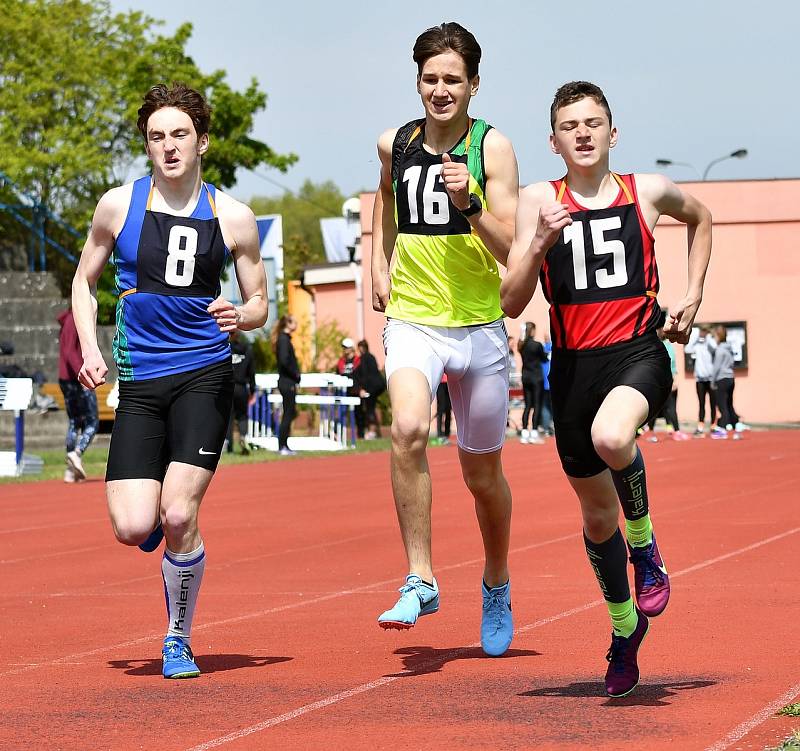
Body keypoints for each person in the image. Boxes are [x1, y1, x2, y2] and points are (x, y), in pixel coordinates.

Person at [501, 81, 712, 695]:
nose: (584, 134)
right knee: (597, 519)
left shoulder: (644, 192)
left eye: (594, 123)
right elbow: (512, 303)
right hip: (572, 370)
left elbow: (702, 218)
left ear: (613, 133)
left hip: (638, 354)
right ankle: (624, 631)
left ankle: (645, 545)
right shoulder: (538, 200)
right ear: (555, 141)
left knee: (613, 435)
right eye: (571, 126)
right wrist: (539, 241)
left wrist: (693, 293)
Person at [71, 83, 268, 679]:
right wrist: (89, 348)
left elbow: (260, 302)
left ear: (202, 140)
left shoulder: (231, 216)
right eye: (157, 137)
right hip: (138, 378)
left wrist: (243, 314)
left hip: (204, 373)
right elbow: (83, 283)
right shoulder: (118, 205)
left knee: (179, 513)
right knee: (134, 526)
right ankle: (157, 525)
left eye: (180, 134)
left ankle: (177, 636)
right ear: (148, 146)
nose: (169, 146)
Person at [371, 22, 519, 656]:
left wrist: (470, 202)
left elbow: (511, 246)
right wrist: (377, 264)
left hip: (480, 325)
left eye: (452, 80)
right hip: (413, 318)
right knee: (406, 428)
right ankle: (420, 576)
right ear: (417, 82)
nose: (440, 90)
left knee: (481, 475)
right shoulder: (394, 143)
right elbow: (384, 200)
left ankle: (495, 580)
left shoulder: (495, 149)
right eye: (429, 79)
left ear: (473, 85)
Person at [57, 306, 99, 482]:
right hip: (76, 378)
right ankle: (77, 453)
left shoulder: (67, 319)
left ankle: (70, 471)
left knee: (74, 421)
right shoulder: (76, 319)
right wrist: (83, 375)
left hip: (64, 377)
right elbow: (70, 352)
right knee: (92, 422)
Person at [227, 329, 257, 454]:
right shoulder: (247, 349)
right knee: (242, 416)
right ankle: (244, 438)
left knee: (228, 416)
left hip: (228, 387)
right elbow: (251, 372)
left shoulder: (224, 349)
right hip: (241, 387)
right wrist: (252, 390)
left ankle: (228, 445)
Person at [274, 315, 300, 455]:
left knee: (290, 413)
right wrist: (295, 374)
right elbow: (284, 361)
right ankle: (282, 445)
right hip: (286, 381)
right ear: (288, 324)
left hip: (288, 381)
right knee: (288, 413)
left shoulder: (285, 339)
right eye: (294, 321)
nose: (296, 324)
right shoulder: (284, 340)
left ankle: (284, 445)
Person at [517, 322, 547, 444]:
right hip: (536, 378)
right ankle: (534, 431)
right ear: (532, 331)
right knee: (537, 404)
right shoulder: (537, 345)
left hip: (526, 377)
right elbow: (544, 358)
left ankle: (524, 432)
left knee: (527, 405)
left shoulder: (521, 345)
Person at [685, 325, 717, 435]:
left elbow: (715, 348)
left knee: (713, 403)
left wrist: (707, 337)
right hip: (700, 379)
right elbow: (687, 349)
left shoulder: (710, 342)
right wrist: (696, 337)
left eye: (704, 332)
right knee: (701, 403)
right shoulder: (696, 344)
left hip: (711, 378)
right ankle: (700, 426)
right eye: (702, 332)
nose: (703, 334)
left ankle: (713, 425)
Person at [710, 324, 740, 439]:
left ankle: (722, 429)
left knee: (722, 405)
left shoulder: (720, 350)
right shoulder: (729, 349)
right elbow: (732, 363)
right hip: (730, 378)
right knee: (729, 404)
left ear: (718, 336)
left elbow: (716, 367)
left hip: (721, 379)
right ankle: (736, 425)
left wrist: (712, 381)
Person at [356, 339, 386, 439]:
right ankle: (376, 432)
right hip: (379, 385)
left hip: (371, 387)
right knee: (371, 408)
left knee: (370, 409)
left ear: (362, 348)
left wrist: (363, 389)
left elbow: (365, 375)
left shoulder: (364, 358)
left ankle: (372, 432)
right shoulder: (371, 356)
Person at [336, 337, 364, 439]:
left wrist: (361, 389)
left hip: (356, 390)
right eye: (343, 347)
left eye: (347, 347)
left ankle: (361, 435)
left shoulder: (358, 360)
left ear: (352, 348)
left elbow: (361, 376)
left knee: (359, 414)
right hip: (344, 391)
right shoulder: (341, 361)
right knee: (341, 413)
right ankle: (338, 434)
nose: (345, 350)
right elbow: (338, 375)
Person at [435, 375, 452, 444]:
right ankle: (440, 435)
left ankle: (446, 435)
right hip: (440, 383)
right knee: (441, 410)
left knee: (448, 410)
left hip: (450, 383)